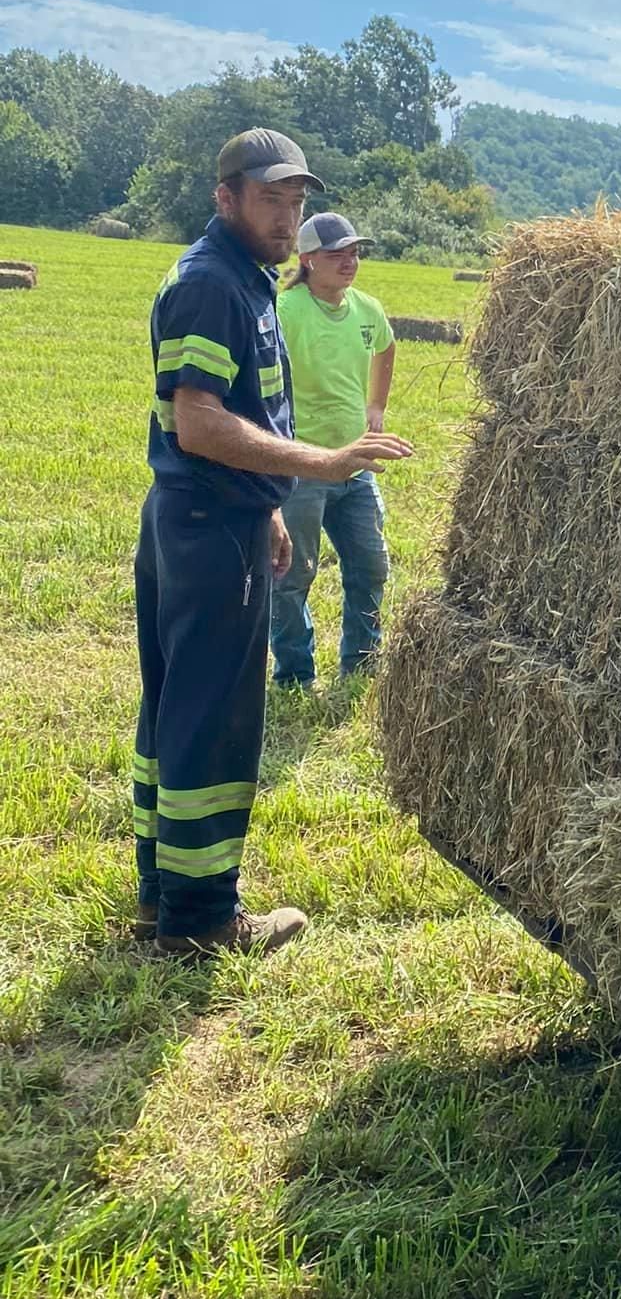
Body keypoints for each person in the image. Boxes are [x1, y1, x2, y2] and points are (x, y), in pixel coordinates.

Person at [132, 129, 413, 960]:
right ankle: (203, 918)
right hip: (207, 525)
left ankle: (161, 897)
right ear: (226, 197)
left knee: (176, 704)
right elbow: (201, 423)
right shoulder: (214, 285)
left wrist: (272, 508)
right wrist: (320, 464)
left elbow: (241, 415)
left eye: (296, 202)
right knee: (214, 718)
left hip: (210, 515)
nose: (288, 218)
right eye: (270, 199)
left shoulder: (239, 279)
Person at [271, 212, 398, 691]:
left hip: (357, 466)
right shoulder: (286, 311)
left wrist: (377, 407)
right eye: (337, 254)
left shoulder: (367, 308)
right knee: (292, 576)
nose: (350, 262)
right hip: (300, 464)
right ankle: (294, 676)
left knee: (370, 567)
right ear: (307, 260)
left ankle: (361, 665)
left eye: (355, 253)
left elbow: (386, 348)